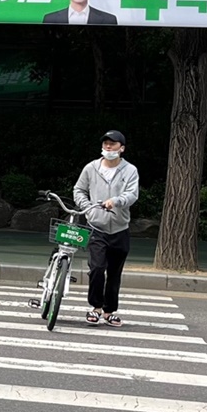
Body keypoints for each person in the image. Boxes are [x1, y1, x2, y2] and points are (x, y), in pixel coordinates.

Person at [73, 130, 139, 327]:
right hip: (96, 226)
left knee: (114, 272)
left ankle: (109, 312)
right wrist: (86, 207)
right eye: (106, 144)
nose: (108, 147)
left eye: (113, 144)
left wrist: (116, 201)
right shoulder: (91, 168)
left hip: (120, 228)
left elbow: (132, 194)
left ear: (122, 149)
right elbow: (79, 190)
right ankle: (95, 308)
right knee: (97, 268)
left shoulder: (130, 170)